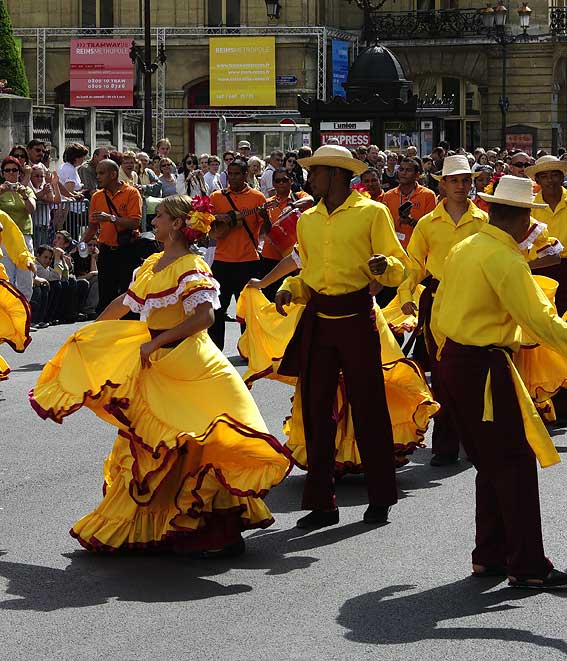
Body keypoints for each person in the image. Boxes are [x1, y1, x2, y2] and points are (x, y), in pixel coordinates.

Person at [29, 194, 290, 556]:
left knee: (197, 442)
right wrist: (92, 329)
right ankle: (161, 524)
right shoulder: (153, 262)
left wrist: (156, 343)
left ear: (179, 224)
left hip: (191, 363)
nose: (154, 220)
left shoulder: (191, 266)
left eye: (162, 215)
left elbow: (204, 318)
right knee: (157, 447)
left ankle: (214, 528)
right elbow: (126, 301)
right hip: (159, 364)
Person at [431, 175, 567, 589]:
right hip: (484, 367)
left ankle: (489, 555)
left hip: (454, 360)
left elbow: (438, 312)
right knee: (514, 463)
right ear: (524, 221)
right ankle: (526, 565)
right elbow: (541, 321)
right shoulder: (505, 259)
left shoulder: (468, 246)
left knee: (491, 463)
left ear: (492, 212)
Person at [274, 144, 407, 530]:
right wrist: (290, 288)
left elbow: (399, 267)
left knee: (369, 407)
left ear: (333, 174)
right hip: (319, 318)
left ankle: (380, 497)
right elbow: (309, 273)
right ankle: (321, 502)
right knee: (316, 410)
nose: (308, 178)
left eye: (314, 172)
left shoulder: (373, 212)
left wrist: (385, 267)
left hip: (356, 317)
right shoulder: (308, 219)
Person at [398, 155, 488, 466]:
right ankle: (446, 445)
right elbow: (414, 265)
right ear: (444, 185)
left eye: (466, 180)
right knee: (443, 373)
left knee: (477, 371)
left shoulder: (484, 222)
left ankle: (477, 440)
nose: (461, 185)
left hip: (476, 301)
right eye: (455, 180)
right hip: (437, 302)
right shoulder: (427, 224)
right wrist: (405, 294)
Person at [208, 158, 270, 350]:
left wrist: (265, 217)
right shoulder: (216, 197)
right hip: (222, 261)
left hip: (248, 260)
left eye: (237, 174)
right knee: (217, 309)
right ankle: (215, 352)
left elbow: (266, 232)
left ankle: (248, 350)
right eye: (230, 173)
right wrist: (218, 218)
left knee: (247, 311)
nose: (233, 178)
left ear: (245, 175)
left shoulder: (258, 198)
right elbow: (203, 223)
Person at [80, 159, 142, 313]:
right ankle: (105, 330)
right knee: (106, 294)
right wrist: (80, 243)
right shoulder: (96, 197)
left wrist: (111, 218)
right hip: (107, 251)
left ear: (113, 174)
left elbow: (135, 223)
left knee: (127, 294)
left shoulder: (132, 193)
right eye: (97, 174)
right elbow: (92, 227)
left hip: (127, 249)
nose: (98, 177)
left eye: (102, 173)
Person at [258, 168, 313, 300]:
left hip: (295, 258)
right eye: (278, 180)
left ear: (291, 181)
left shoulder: (299, 196)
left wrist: (292, 206)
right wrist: (265, 218)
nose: (281, 183)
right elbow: (267, 231)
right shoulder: (267, 203)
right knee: (270, 299)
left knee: (295, 299)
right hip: (271, 257)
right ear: (274, 184)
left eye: (285, 180)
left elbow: (310, 200)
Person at [527, 155, 567, 315]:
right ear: (537, 180)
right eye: (544, 176)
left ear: (562, 176)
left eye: (554, 175)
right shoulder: (528, 207)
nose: (550, 180)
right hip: (539, 267)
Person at [0, 156, 36, 299]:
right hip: (5, 239)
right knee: (6, 276)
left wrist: (24, 195)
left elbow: (32, 209)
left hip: (24, 236)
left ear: (19, 173)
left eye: (14, 170)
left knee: (25, 277)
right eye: (7, 170)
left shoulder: (26, 190)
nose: (11, 173)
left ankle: (25, 312)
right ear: (2, 173)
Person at [383, 157, 437, 250]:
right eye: (401, 169)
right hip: (394, 250)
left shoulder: (428, 195)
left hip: (417, 250)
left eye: (408, 170)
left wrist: (410, 222)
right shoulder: (388, 195)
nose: (403, 173)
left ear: (417, 175)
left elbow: (430, 228)